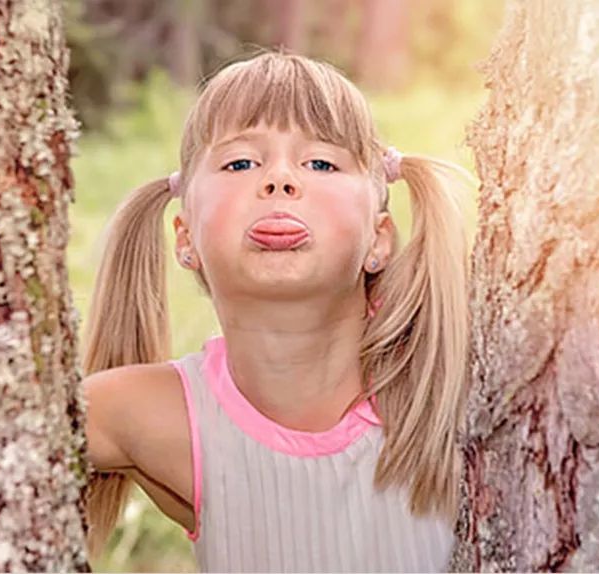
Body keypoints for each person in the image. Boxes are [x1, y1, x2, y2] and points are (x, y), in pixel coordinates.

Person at [80, 50, 471, 572]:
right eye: (241, 163)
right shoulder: (155, 416)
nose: (280, 181)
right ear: (186, 237)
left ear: (379, 239)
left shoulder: (447, 385)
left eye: (321, 163)